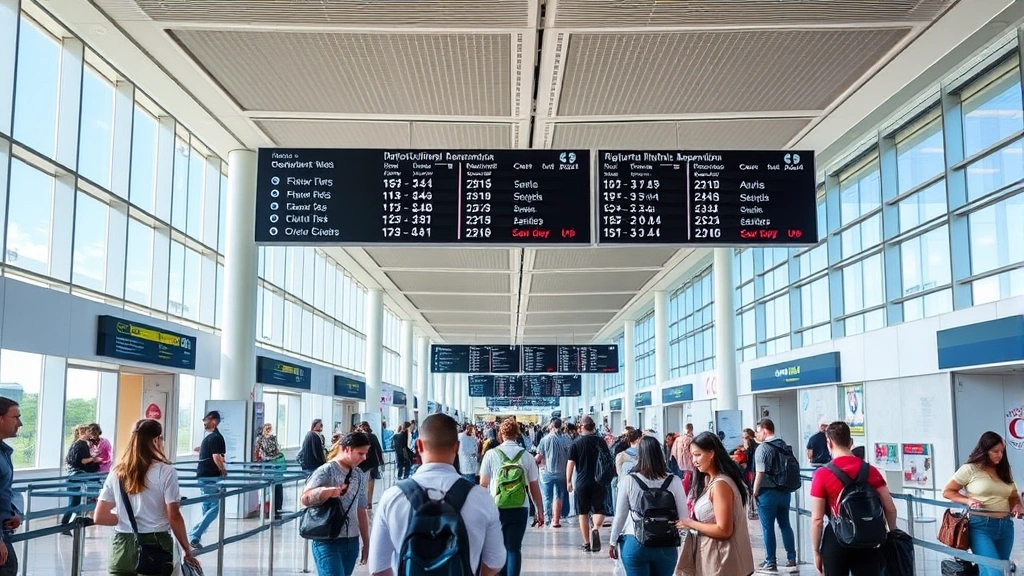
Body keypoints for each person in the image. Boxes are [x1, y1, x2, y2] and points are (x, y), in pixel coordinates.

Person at [367, 413, 505, 576]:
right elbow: (495, 562)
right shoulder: (481, 498)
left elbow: (377, 568)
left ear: (418, 446)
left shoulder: (392, 497)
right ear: (457, 447)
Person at [92, 419, 200, 575]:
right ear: (156, 440)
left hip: (122, 545)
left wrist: (126, 519)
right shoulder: (166, 471)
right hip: (156, 543)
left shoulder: (117, 472)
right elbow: (174, 515)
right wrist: (187, 550)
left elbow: (100, 516)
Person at [810, 421, 898, 576]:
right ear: (851, 442)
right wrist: (892, 535)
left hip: (836, 539)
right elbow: (890, 509)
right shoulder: (870, 471)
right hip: (868, 539)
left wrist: (816, 551)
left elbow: (817, 520)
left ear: (829, 443)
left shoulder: (822, 474)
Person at [942, 431, 1024, 576]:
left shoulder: (1004, 470)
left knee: (995, 569)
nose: (1000, 455)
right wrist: (968, 500)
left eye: (1002, 451)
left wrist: (1017, 505)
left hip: (1005, 527)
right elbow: (948, 491)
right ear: (985, 450)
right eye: (995, 451)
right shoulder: (970, 469)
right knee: (994, 571)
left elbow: (1012, 495)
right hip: (980, 527)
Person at [676, 432, 754, 576]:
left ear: (711, 453)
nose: (694, 460)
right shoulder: (711, 480)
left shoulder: (721, 485)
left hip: (723, 562)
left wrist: (690, 523)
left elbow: (724, 530)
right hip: (715, 559)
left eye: (698, 455)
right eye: (692, 455)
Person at [608, 436, 687, 576]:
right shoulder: (674, 481)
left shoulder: (629, 481)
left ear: (639, 456)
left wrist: (612, 542)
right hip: (666, 545)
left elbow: (620, 516)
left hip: (635, 542)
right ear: (660, 454)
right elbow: (684, 519)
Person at [301, 432, 371, 576]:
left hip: (351, 542)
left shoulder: (359, 475)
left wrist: (366, 542)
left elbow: (361, 509)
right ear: (347, 449)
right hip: (327, 541)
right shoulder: (326, 471)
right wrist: (325, 492)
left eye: (365, 453)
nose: (364, 458)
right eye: (360, 453)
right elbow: (305, 498)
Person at [480, 419, 543, 576]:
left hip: (496, 507)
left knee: (498, 548)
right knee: (514, 548)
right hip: (520, 507)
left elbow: (483, 484)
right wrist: (539, 510)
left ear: (501, 434)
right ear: (517, 434)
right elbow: (534, 487)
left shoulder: (490, 455)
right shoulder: (527, 456)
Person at [752, 418, 797, 572]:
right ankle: (791, 558)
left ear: (765, 430)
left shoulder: (763, 448)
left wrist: (754, 491)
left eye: (758, 431)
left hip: (767, 492)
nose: (756, 434)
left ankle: (770, 561)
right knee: (785, 524)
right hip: (784, 492)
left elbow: (760, 472)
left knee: (767, 527)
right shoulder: (784, 445)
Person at [567, 415, 613, 553]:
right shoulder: (601, 442)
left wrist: (568, 481)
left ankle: (586, 543)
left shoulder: (576, 443)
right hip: (599, 480)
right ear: (593, 427)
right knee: (599, 509)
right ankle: (595, 528)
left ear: (581, 427)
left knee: (583, 512)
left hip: (582, 482)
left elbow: (570, 464)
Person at [188, 410, 226, 549]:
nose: (204, 422)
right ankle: (194, 534)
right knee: (215, 508)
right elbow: (217, 457)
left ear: (214, 421)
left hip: (206, 475)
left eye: (207, 420)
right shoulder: (215, 438)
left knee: (208, 507)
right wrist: (223, 470)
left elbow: (216, 456)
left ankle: (195, 533)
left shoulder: (212, 438)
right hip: (210, 476)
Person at [61, 424, 100, 534]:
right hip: (78, 477)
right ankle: (66, 525)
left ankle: (68, 525)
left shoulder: (76, 444)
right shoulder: (81, 445)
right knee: (75, 502)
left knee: (75, 502)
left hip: (74, 476)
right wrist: (94, 459)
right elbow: (82, 461)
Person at [0, 398, 23, 576]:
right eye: (16, 417)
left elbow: (5, 490)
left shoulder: (4, 452)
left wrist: (12, 512)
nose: (20, 423)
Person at [536, 417, 571, 528]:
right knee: (558, 496)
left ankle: (548, 519)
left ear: (551, 425)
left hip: (547, 473)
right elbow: (571, 457)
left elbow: (539, 457)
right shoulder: (567, 439)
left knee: (547, 497)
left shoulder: (544, 440)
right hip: (562, 472)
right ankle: (556, 521)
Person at [255, 423, 286, 518]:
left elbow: (257, 451)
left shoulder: (260, 439)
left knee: (268, 487)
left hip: (267, 463)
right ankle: (275, 507)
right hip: (275, 463)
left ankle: (268, 508)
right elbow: (277, 449)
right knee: (277, 485)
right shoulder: (273, 438)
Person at [357, 422, 385, 510]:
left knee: (366, 482)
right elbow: (378, 449)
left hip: (364, 462)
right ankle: (368, 502)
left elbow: (378, 448)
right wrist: (381, 460)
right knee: (370, 482)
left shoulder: (361, 437)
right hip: (370, 462)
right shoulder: (371, 436)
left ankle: (366, 502)